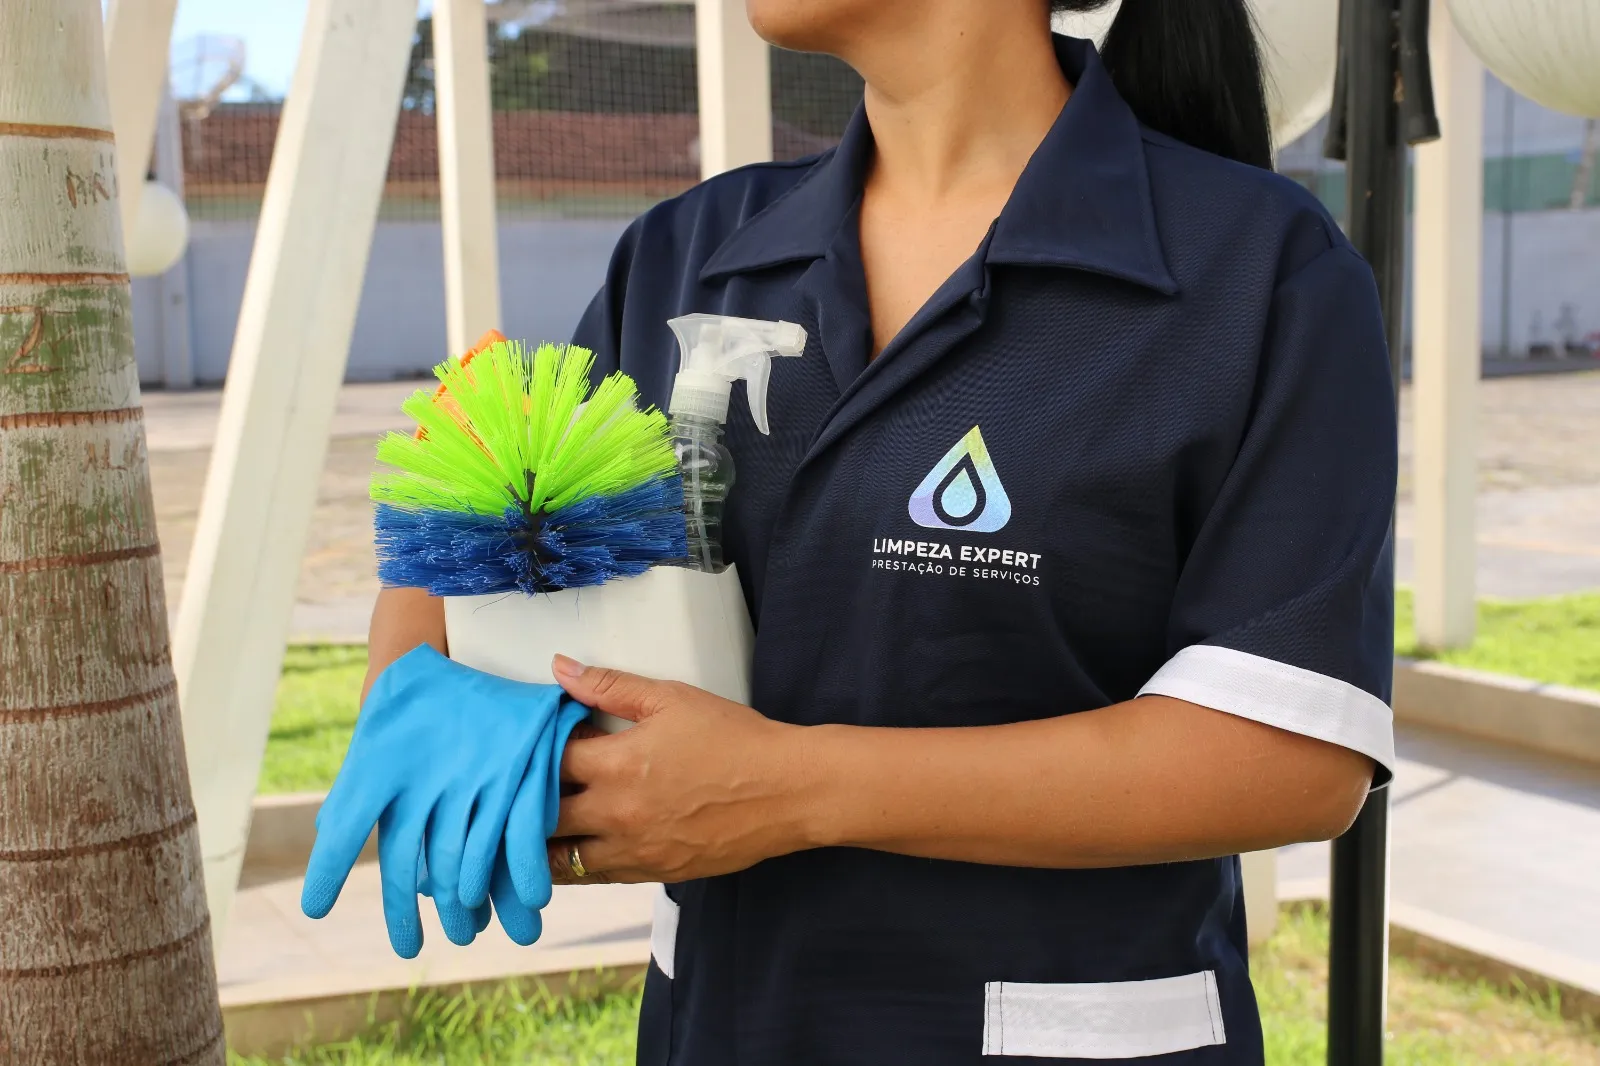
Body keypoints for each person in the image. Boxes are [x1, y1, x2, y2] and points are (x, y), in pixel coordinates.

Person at [360, 0, 1396, 1061]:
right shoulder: (687, 257)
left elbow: (1290, 758)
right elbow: (487, 588)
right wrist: (425, 648)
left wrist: (791, 791)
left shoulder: (1260, 271)